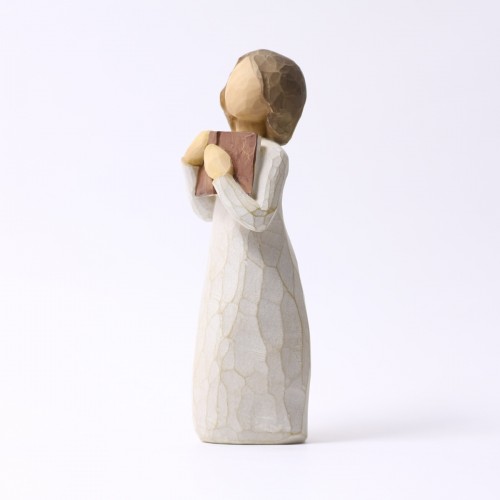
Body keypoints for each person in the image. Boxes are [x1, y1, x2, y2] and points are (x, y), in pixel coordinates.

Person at [182, 49, 310, 444]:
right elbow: (206, 211)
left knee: (266, 352)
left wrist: (222, 176)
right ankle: (217, 421)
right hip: (225, 273)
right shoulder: (224, 145)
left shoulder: (274, 156)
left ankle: (276, 424)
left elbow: (258, 218)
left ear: (273, 103)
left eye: (252, 75)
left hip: (264, 273)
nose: (237, 78)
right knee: (220, 346)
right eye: (238, 71)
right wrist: (190, 167)